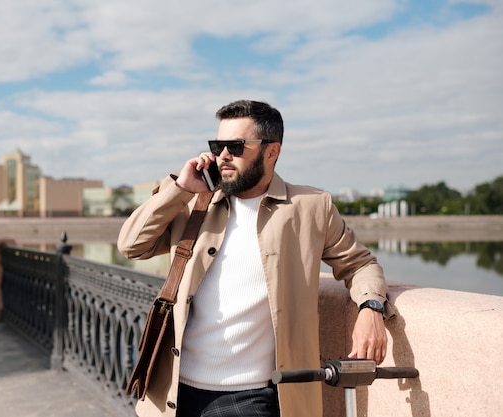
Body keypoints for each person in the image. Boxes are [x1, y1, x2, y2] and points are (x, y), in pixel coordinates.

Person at [117, 100, 394, 417]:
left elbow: (360, 264)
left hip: (248, 398)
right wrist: (179, 188)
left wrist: (371, 308)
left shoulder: (311, 207)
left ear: (272, 151)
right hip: (171, 392)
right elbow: (131, 245)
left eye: (235, 146)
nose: (223, 156)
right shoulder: (194, 202)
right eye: (218, 145)